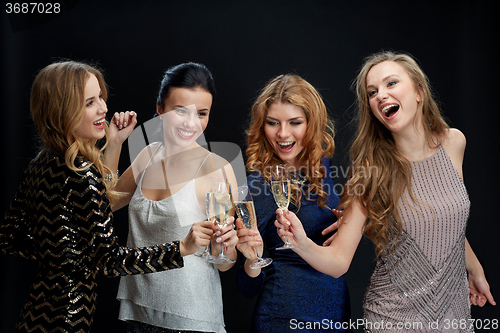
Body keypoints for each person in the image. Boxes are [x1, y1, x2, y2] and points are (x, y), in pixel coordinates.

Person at [275, 51, 496, 332]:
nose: (381, 95)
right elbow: (339, 261)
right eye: (372, 92)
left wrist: (475, 269)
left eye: (391, 83)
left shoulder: (454, 143)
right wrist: (301, 242)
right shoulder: (371, 172)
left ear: (418, 91)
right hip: (393, 320)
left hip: (454, 317)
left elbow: (445, 219)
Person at [0, 61, 189, 333]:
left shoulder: (40, 164)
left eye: (101, 96)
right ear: (62, 112)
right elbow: (109, 261)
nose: (103, 107)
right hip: (67, 319)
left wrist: (60, 254)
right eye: (90, 102)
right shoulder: (82, 175)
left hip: (33, 316)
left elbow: (10, 236)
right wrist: (181, 248)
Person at [110, 62, 248, 333]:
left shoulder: (217, 169)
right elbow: (104, 205)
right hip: (138, 311)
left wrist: (228, 247)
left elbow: (222, 262)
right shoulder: (148, 154)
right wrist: (114, 144)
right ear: (160, 108)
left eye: (202, 113)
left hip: (191, 318)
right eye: (180, 110)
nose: (191, 123)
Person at [236, 74, 350, 332]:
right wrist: (252, 260)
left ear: (312, 123)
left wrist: (347, 221)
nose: (283, 133)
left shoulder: (323, 167)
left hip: (336, 314)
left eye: (295, 122)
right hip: (283, 318)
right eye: (273, 123)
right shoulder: (257, 184)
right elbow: (246, 288)